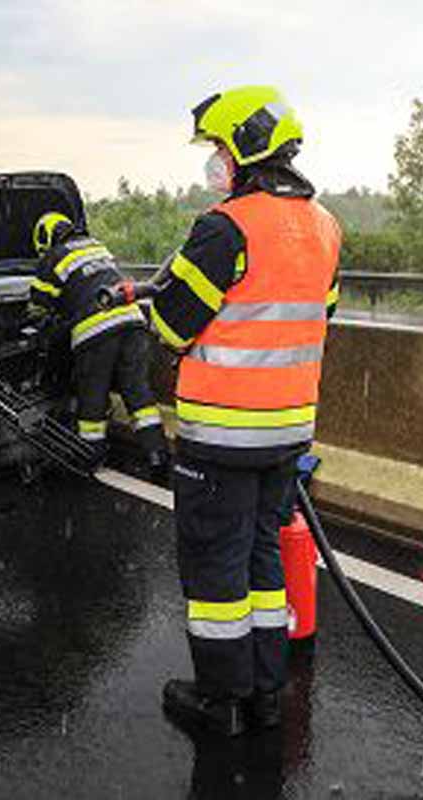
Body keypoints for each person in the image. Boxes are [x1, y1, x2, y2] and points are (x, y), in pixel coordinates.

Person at [146, 86, 341, 736]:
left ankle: (218, 701)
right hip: (288, 433)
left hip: (222, 436)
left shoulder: (225, 226)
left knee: (215, 568)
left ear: (244, 151)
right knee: (261, 560)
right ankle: (263, 690)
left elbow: (173, 326)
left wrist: (157, 300)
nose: (215, 163)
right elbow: (318, 313)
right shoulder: (324, 226)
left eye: (219, 149)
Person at [29, 212, 168, 474]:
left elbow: (39, 304)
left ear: (45, 239)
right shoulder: (96, 245)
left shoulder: (53, 257)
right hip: (133, 320)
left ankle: (91, 457)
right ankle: (157, 455)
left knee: (92, 397)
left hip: (96, 331)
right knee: (138, 394)